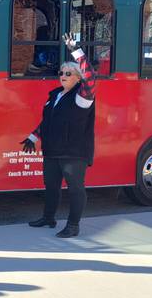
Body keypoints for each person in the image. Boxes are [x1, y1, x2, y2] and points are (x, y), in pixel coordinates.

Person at [21, 33, 97, 238]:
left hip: (74, 152)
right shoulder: (55, 95)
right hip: (53, 150)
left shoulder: (83, 96)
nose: (63, 75)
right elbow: (49, 120)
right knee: (51, 186)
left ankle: (73, 225)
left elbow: (90, 77)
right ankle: (48, 217)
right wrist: (33, 136)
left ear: (78, 78)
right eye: (61, 72)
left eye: (68, 73)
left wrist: (76, 50)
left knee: (75, 189)